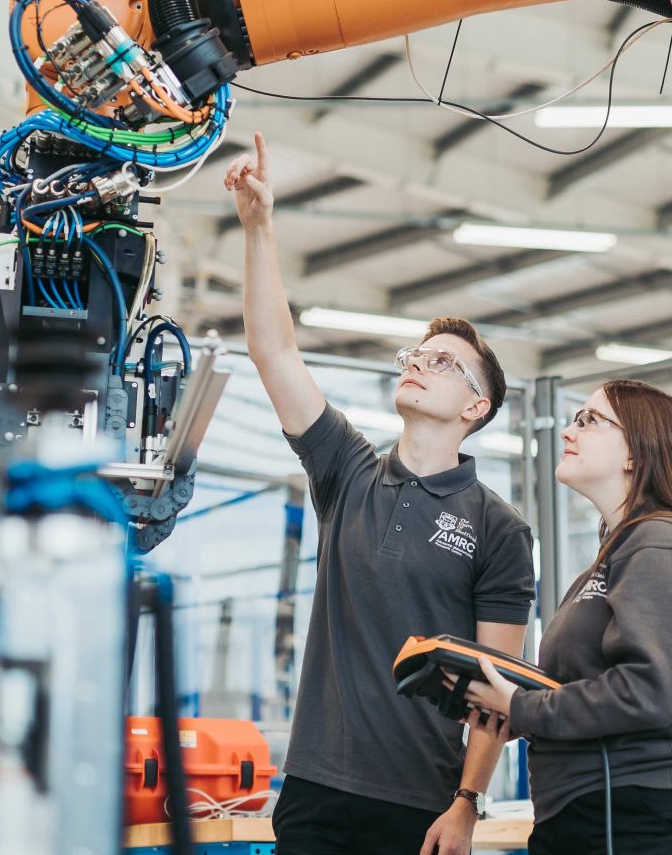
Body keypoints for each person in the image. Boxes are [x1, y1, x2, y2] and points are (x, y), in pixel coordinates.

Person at [223, 131, 536, 855]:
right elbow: (273, 350)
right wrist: (259, 228)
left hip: (419, 804)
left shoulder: (498, 528)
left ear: (476, 408)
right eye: (417, 356)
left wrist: (466, 804)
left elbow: (497, 689)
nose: (420, 366)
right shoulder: (349, 472)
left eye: (444, 364)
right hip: (314, 790)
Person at [456, 379, 672, 855]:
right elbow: (594, 687)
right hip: (586, 810)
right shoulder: (616, 556)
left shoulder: (662, 544)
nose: (569, 432)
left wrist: (523, 706)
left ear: (636, 454)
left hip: (639, 815)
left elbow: (647, 692)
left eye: (589, 421)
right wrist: (508, 707)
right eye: (574, 419)